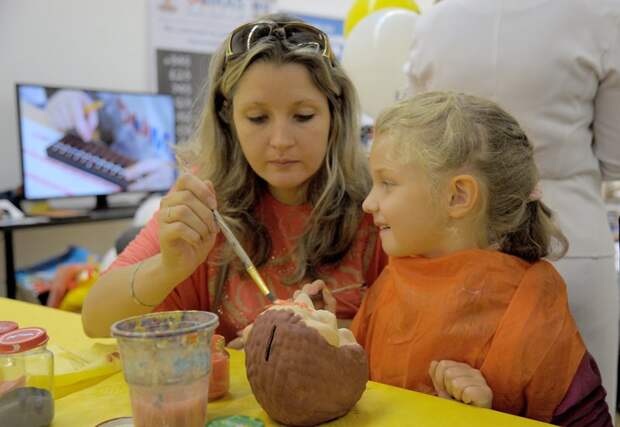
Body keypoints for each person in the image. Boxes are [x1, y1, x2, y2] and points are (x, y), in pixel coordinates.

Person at [81, 14, 387, 340]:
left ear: (334, 113)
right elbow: (95, 321)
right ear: (229, 117)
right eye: (257, 118)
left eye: (303, 116)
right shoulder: (205, 198)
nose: (281, 140)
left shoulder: (377, 201)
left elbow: (418, 330)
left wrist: (330, 335)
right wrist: (168, 268)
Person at [404, 0, 620, 412]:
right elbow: (615, 156)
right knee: (582, 408)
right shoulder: (602, 13)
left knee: (457, 408)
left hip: (462, 239)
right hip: (571, 237)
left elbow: (418, 139)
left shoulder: (434, 20)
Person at [350, 92, 612, 425]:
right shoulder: (390, 283)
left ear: (458, 196)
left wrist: (485, 416)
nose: (368, 203)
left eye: (387, 183)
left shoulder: (532, 311)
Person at [44, 88, 176, 191]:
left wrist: (176, 176)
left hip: (151, 188)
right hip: (107, 170)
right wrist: (65, 97)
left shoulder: (179, 105)